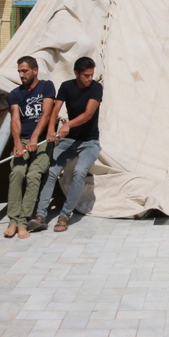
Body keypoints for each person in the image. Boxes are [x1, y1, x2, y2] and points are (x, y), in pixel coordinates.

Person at [29, 56, 103, 234]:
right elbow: (55, 110)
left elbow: (88, 114)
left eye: (91, 74)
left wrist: (67, 125)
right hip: (69, 141)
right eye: (86, 75)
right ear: (76, 73)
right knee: (52, 170)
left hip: (90, 142)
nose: (89, 79)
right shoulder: (66, 86)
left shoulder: (96, 88)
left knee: (79, 172)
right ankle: (40, 216)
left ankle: (65, 215)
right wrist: (50, 130)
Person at [4, 56, 55, 239]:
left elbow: (47, 113)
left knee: (33, 175)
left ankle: (23, 221)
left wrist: (35, 137)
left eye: (24, 71)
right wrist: (17, 142)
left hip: (41, 141)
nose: (21, 74)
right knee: (16, 173)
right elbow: (15, 119)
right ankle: (13, 220)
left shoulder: (46, 86)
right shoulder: (15, 93)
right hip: (23, 140)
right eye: (19, 71)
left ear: (35, 70)